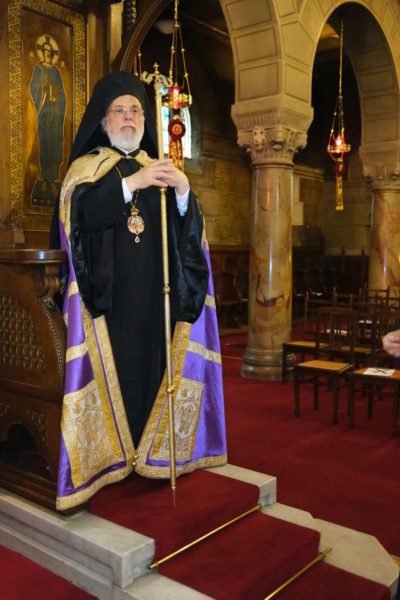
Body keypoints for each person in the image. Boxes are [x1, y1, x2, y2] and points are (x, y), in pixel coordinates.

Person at [53, 71, 226, 510]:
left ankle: (150, 455)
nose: (129, 117)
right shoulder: (87, 169)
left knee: (154, 368)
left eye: (135, 111)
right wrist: (132, 183)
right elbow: (82, 216)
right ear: (103, 120)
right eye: (119, 111)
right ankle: (111, 460)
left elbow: (188, 236)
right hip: (109, 307)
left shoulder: (159, 168)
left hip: (157, 299)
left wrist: (183, 192)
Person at [30, 35, 66, 206]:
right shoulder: (39, 69)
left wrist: (57, 98)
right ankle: (45, 179)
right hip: (44, 115)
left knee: (55, 146)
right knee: (45, 145)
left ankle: (53, 181)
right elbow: (33, 87)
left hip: (55, 115)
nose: (47, 54)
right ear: (42, 52)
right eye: (45, 51)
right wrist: (44, 89)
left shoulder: (56, 71)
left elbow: (63, 94)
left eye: (50, 51)